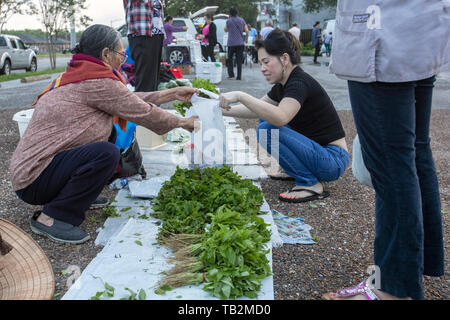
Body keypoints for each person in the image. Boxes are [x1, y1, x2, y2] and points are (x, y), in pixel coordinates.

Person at [9, 25, 199, 244]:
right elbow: (141, 111)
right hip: (34, 180)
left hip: (36, 172)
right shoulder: (97, 82)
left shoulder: (80, 74)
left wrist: (171, 93)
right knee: (106, 153)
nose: (123, 57)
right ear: (105, 55)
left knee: (108, 139)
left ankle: (76, 196)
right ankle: (51, 217)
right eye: (120, 53)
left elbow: (127, 99)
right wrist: (184, 122)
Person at [323, 1, 447, 300]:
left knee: (393, 166)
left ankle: (391, 288)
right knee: (414, 155)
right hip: (419, 33)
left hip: (380, 35)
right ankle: (406, 270)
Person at [219, 29, 349, 203]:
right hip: (320, 154)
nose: (263, 69)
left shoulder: (299, 83)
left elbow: (281, 117)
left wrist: (241, 95)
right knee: (264, 117)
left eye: (266, 62)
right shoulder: (283, 84)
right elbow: (255, 109)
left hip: (332, 160)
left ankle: (310, 183)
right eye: (260, 64)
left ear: (285, 59)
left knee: (267, 128)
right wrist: (219, 109)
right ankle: (295, 170)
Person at [123, 0, 165, 92]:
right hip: (141, 34)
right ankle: (142, 105)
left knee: (153, 81)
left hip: (156, 34)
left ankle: (151, 105)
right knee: (145, 82)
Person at [224, 7, 249, 80]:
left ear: (230, 13)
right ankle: (239, 76)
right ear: (237, 12)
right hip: (240, 43)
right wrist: (246, 39)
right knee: (239, 60)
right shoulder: (242, 20)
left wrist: (229, 20)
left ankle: (231, 74)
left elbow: (225, 30)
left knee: (230, 59)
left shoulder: (228, 21)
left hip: (231, 43)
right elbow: (247, 31)